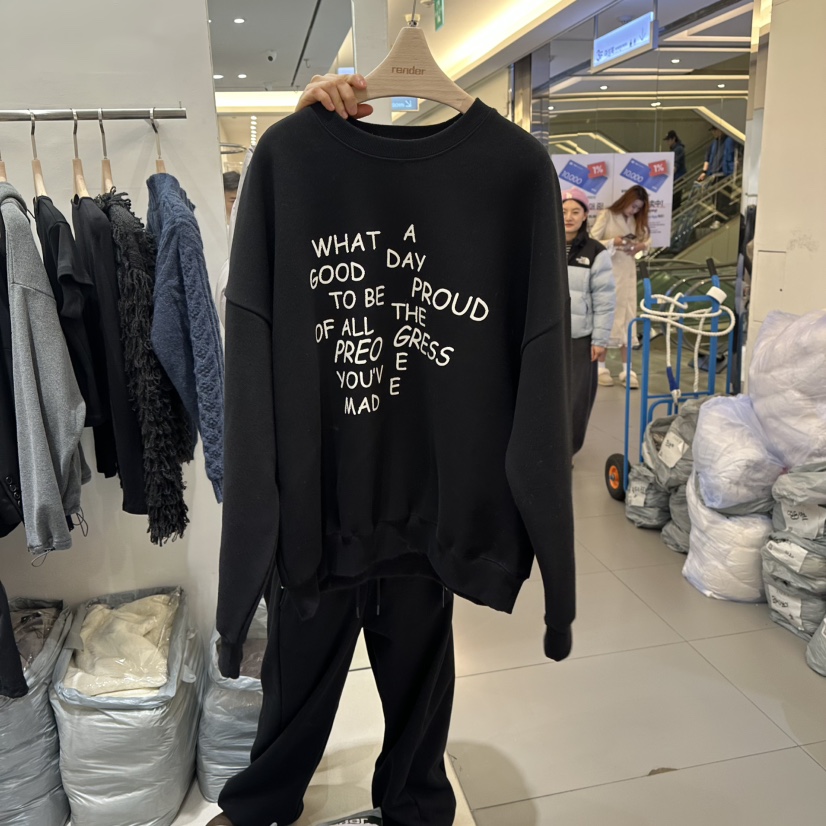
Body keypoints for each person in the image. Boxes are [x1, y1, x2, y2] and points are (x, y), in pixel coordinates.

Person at [561, 187, 615, 454]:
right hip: (547, 336)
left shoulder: (596, 252)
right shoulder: (544, 246)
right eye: (563, 211)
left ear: (584, 216)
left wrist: (600, 339)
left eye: (575, 211)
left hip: (579, 338)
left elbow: (605, 298)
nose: (569, 217)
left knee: (576, 399)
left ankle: (567, 451)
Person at [591, 185, 651, 389]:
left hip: (628, 274)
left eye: (638, 208)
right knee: (607, 317)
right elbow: (592, 241)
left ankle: (627, 369)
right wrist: (613, 242)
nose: (634, 210)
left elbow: (646, 240)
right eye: (633, 206)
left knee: (628, 319)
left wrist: (641, 246)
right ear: (626, 200)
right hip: (608, 273)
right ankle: (600, 368)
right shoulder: (607, 215)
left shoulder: (636, 221)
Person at [664, 130, 686, 211]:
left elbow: (676, 164)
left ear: (673, 139)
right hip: (675, 178)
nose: (667, 142)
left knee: (675, 202)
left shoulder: (678, 149)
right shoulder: (674, 149)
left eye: (668, 140)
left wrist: (668, 177)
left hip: (677, 179)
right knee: (673, 201)